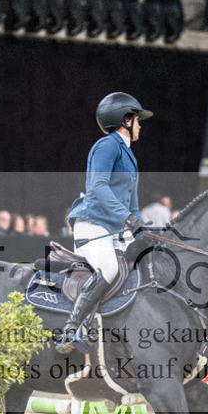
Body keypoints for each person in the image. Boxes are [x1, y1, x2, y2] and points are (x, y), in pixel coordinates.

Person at [57, 92, 152, 355]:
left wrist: (142, 230)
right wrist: (126, 218)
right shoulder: (107, 146)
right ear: (125, 119)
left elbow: (132, 205)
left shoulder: (129, 157)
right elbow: (97, 187)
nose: (141, 125)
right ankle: (70, 329)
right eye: (137, 119)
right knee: (109, 268)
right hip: (92, 224)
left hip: (113, 230)